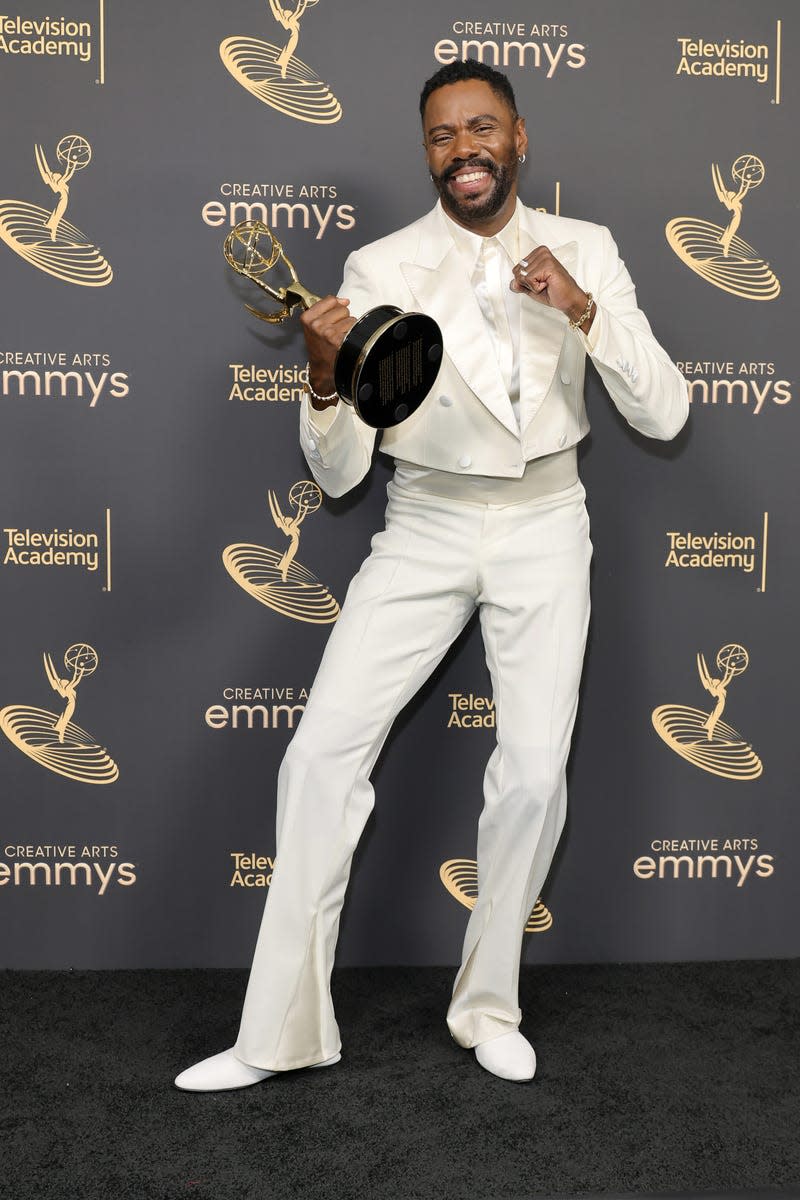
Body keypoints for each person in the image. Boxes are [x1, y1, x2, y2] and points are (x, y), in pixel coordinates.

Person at [175, 60, 688, 1092]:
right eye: (443, 136)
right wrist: (321, 375)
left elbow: (665, 414)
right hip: (424, 523)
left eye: (481, 128)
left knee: (535, 773)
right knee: (317, 757)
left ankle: (486, 1004)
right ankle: (277, 1032)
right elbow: (336, 475)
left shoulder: (586, 249)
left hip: (546, 519)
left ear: (518, 138)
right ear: (427, 153)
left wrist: (582, 309)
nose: (464, 149)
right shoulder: (379, 266)